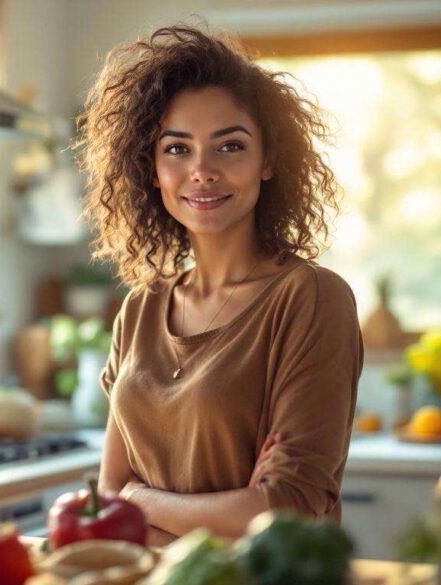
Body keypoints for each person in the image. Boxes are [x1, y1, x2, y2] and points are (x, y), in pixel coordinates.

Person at [74, 24, 364, 545]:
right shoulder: (140, 308)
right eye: (178, 149)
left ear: (269, 160)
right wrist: (230, 510)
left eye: (229, 146)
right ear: (152, 169)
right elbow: (108, 498)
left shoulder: (312, 298)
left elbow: (289, 511)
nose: (202, 170)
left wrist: (143, 500)